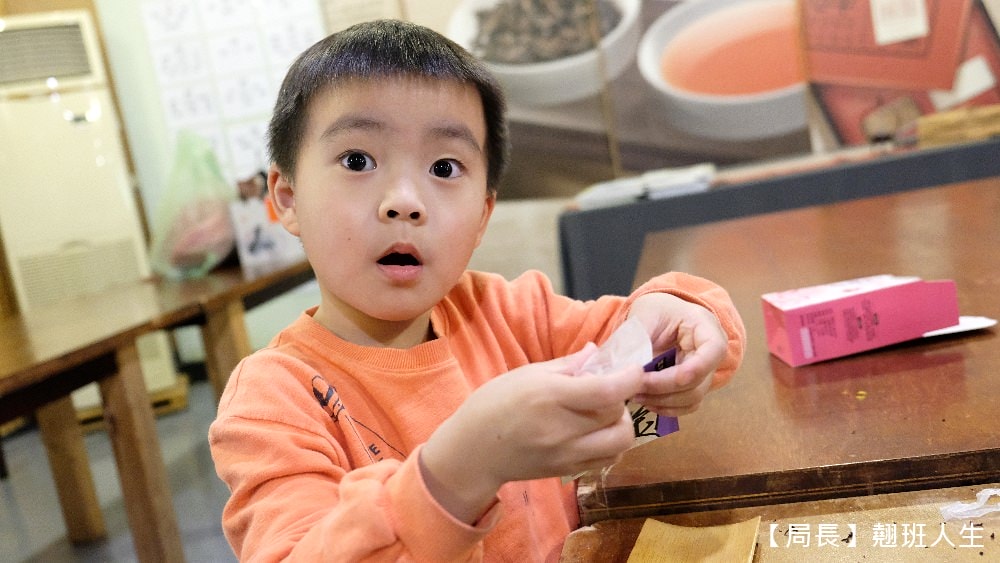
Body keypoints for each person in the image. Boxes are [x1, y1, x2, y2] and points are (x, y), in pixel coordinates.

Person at [209, 19, 746, 562]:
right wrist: (463, 467)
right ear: (287, 197)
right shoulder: (273, 399)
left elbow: (660, 331)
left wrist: (679, 314)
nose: (404, 201)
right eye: (357, 160)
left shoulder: (504, 312)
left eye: (444, 167)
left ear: (483, 214)